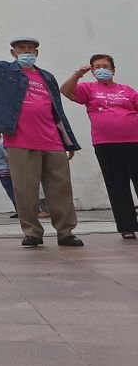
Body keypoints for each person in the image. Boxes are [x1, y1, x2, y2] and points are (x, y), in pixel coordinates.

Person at [0, 26, 82, 248]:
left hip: (52, 140)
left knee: (60, 188)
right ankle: (32, 232)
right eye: (22, 48)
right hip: (20, 140)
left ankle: (65, 232)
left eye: (31, 48)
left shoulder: (47, 76)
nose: (27, 52)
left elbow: (57, 110)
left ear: (37, 52)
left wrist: (68, 140)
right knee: (24, 189)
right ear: (13, 52)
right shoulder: (3, 71)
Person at [60, 53, 137, 239]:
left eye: (105, 66)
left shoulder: (127, 90)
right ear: (93, 71)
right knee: (117, 184)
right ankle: (127, 226)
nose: (102, 69)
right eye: (97, 67)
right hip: (106, 144)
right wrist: (77, 74)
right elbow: (65, 91)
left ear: (113, 69)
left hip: (134, 141)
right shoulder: (88, 88)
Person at [0, 138, 18, 217]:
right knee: (10, 191)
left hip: (5, 171)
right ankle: (18, 210)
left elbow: (8, 156)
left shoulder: (1, 143)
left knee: (11, 191)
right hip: (2, 171)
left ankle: (19, 210)